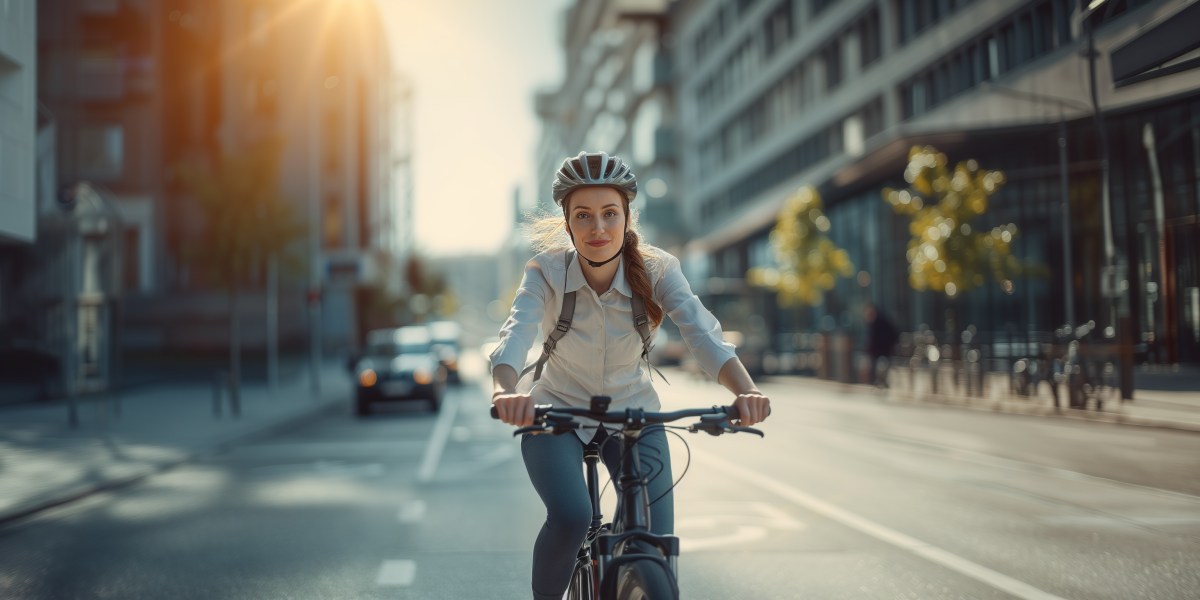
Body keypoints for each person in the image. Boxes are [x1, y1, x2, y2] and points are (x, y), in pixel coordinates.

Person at [490, 151, 771, 600]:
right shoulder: (545, 272)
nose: (598, 228)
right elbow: (515, 335)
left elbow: (703, 333)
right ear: (567, 224)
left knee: (653, 538)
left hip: (636, 417)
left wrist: (747, 391)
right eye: (583, 216)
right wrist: (506, 392)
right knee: (571, 516)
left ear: (626, 218)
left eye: (609, 214)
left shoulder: (659, 269)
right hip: (555, 416)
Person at [864, 302, 899, 388]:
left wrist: (888, 345)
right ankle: (878, 383)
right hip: (876, 351)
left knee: (883, 367)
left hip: (883, 350)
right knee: (877, 368)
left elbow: (892, 335)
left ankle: (883, 382)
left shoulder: (881, 322)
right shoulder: (872, 324)